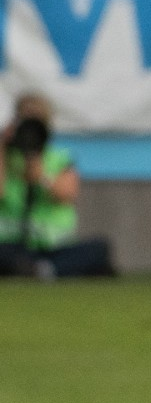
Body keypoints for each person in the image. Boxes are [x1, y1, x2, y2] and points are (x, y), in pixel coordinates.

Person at [0, 93, 115, 279]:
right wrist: (2, 146)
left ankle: (42, 269)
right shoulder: (6, 158)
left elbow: (67, 194)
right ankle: (44, 269)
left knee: (99, 248)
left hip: (54, 246)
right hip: (12, 244)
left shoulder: (59, 158)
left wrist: (42, 177)